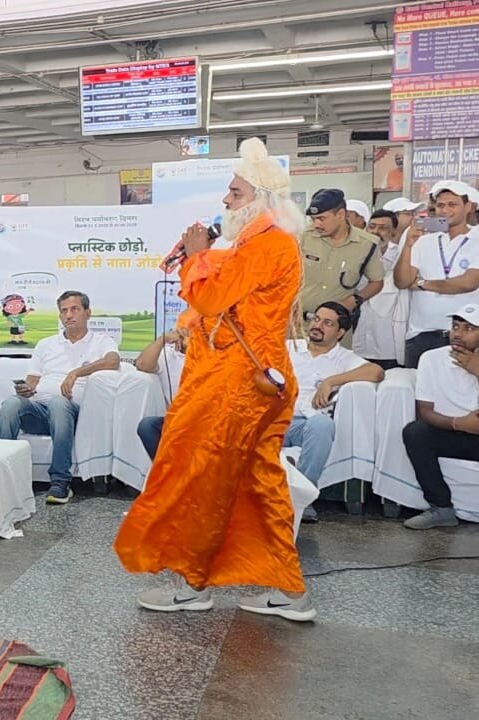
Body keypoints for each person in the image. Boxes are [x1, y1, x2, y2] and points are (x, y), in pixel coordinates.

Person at [114, 137, 318, 622]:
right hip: (247, 381)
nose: (226, 199)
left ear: (260, 200)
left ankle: (192, 582)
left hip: (237, 387)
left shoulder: (268, 243)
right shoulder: (254, 243)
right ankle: (287, 590)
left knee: (202, 480)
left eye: (235, 192)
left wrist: (196, 254)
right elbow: (222, 308)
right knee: (257, 485)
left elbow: (210, 297)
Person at [0, 291, 120, 504]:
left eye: (74, 309)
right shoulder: (46, 344)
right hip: (41, 411)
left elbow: (113, 362)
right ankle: (1, 475)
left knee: (58, 403)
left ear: (88, 313)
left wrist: (76, 372)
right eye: (64, 311)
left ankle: (60, 482)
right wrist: (26, 389)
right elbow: (32, 380)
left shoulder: (101, 341)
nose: (68, 315)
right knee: (10, 404)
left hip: (74, 413)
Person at [283, 302, 385, 522]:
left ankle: (303, 499)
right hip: (275, 420)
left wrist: (330, 381)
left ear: (340, 333)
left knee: (322, 424)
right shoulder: (290, 347)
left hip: (306, 426)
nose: (318, 325)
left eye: (328, 323)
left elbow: (376, 372)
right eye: (316, 319)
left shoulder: (344, 358)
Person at [401, 304, 479, 530]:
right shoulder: (431, 359)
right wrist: (459, 424)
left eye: (469, 329)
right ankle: (441, 508)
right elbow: (424, 412)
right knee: (415, 432)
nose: (458, 334)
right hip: (455, 433)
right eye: (455, 326)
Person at [394, 181, 479, 368]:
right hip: (422, 334)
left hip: (468, 335)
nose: (445, 210)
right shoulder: (423, 240)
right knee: (419, 385)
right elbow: (402, 281)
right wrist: (408, 245)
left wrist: (422, 283)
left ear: (468, 207)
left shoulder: (477, 238)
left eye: (452, 205)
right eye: (440, 205)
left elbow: (467, 283)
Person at [298, 189, 383, 338]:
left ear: (341, 214)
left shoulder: (367, 244)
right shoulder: (303, 237)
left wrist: (355, 300)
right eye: (313, 219)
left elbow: (376, 282)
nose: (316, 224)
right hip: (299, 325)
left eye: (322, 218)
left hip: (336, 330)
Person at [354, 210, 408, 369]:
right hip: (359, 337)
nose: (376, 231)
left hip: (388, 341)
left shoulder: (401, 256)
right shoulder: (355, 254)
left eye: (383, 228)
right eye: (372, 227)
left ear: (394, 232)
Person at [135, 328, 189, 460]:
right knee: (147, 426)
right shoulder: (169, 355)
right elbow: (142, 364)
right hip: (176, 422)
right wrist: (162, 340)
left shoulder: (210, 353)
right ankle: (168, 469)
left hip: (206, 420)